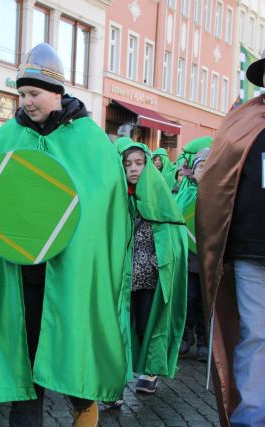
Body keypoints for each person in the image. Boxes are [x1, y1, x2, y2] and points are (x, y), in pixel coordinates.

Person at [0, 43, 130, 427]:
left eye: (34, 94)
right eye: (21, 94)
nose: (26, 102)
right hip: (19, 273)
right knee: (25, 354)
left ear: (57, 94)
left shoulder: (89, 139)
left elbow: (100, 202)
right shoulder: (9, 136)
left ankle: (82, 402)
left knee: (70, 341)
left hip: (69, 269)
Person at [197, 55, 265, 427]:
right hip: (252, 251)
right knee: (256, 335)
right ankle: (252, 418)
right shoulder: (242, 123)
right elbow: (216, 181)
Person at [118, 141, 188, 397]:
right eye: (127, 164)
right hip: (122, 278)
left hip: (149, 278)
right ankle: (116, 376)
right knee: (119, 325)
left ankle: (149, 370)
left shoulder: (160, 196)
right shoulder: (118, 197)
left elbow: (174, 233)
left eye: (139, 163)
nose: (133, 169)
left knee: (146, 323)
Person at [176, 149, 210, 361]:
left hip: (207, 259)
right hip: (189, 258)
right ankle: (185, 337)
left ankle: (204, 341)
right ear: (193, 170)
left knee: (204, 303)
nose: (203, 171)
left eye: (208, 167)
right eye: (200, 167)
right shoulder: (185, 192)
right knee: (188, 298)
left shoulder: (218, 195)